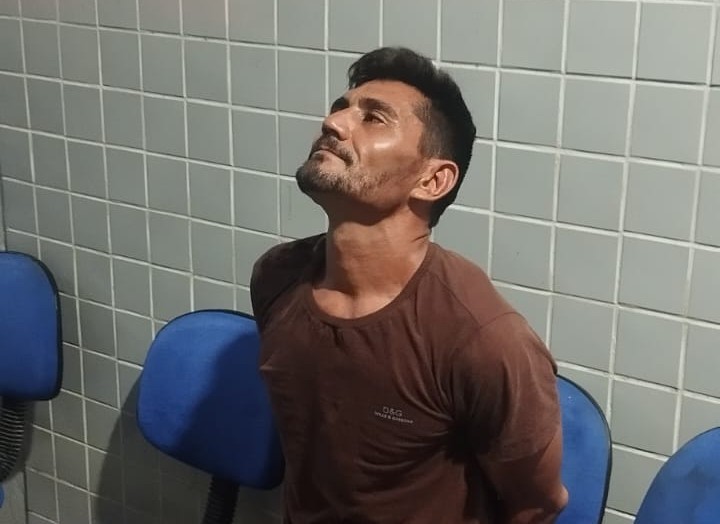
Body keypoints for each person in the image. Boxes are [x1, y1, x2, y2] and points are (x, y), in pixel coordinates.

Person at [250, 47, 567, 524]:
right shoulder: (277, 277)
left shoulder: (483, 339)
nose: (332, 123)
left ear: (433, 180)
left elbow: (538, 504)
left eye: (373, 118)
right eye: (340, 107)